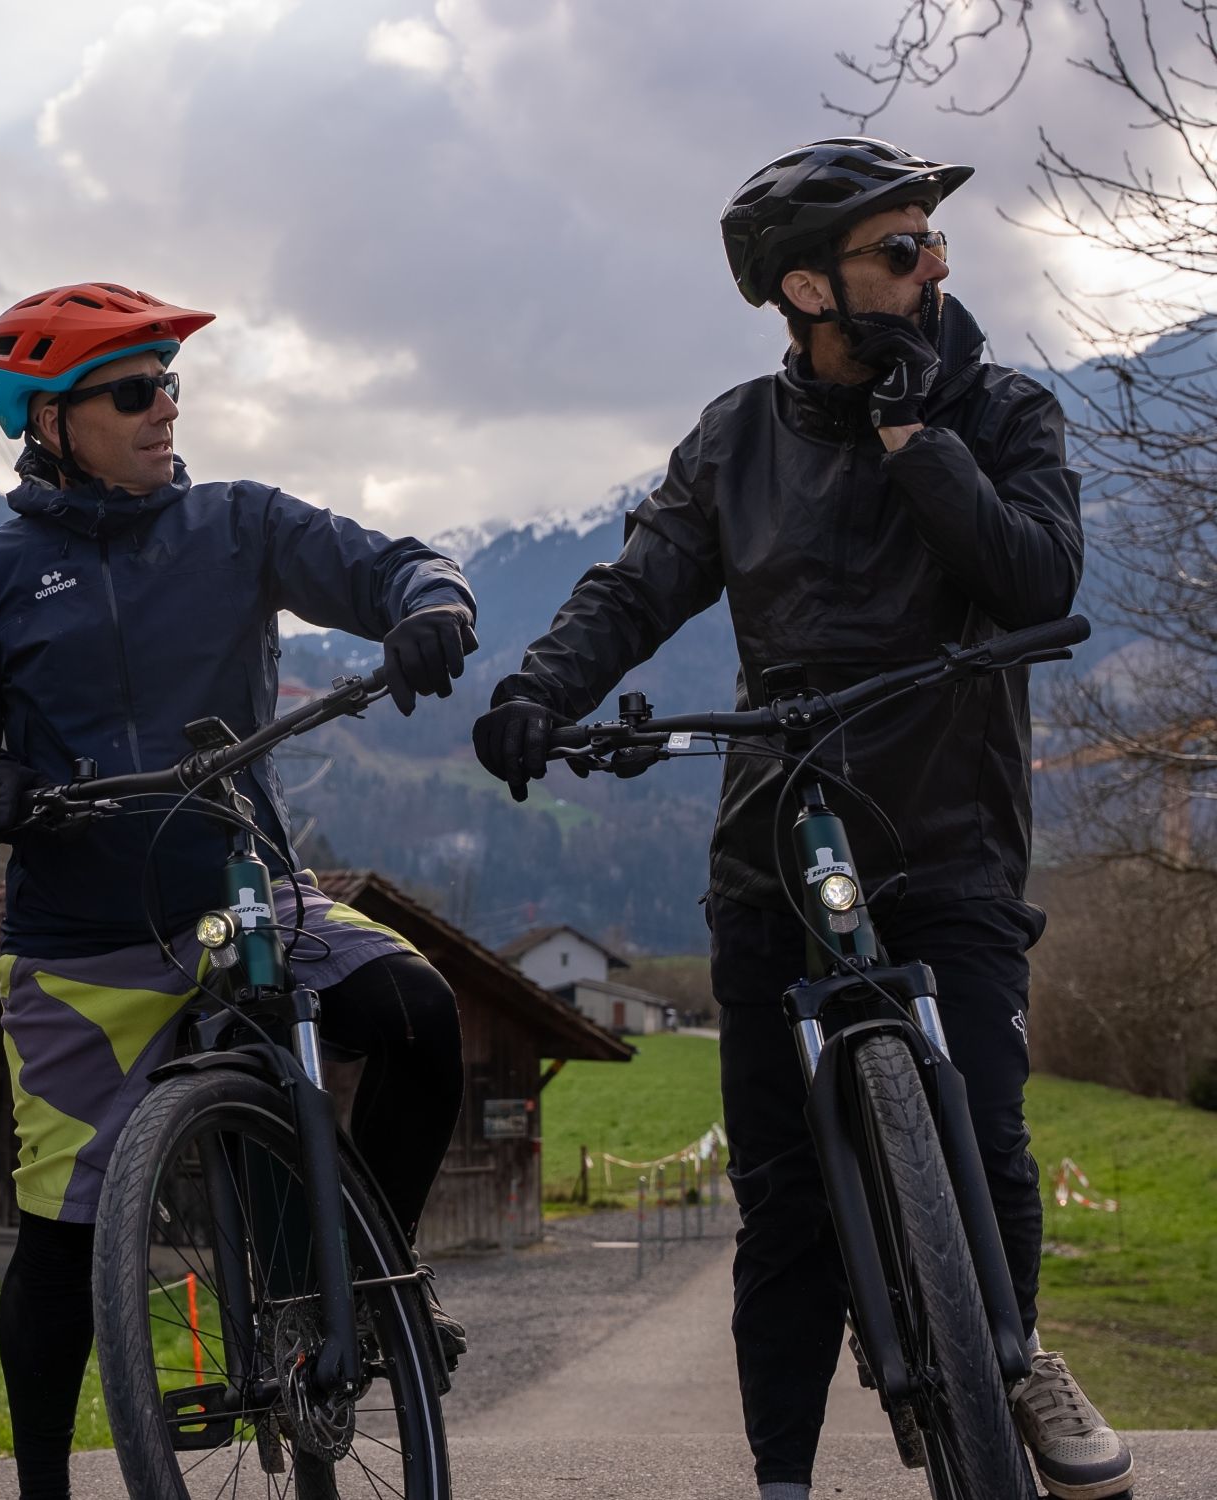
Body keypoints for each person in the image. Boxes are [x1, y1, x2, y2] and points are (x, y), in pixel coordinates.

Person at [471, 139, 1132, 1500]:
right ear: (806, 288)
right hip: (779, 838)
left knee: (987, 1137)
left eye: (932, 241)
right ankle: (781, 1476)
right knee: (782, 1196)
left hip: (950, 832)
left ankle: (1013, 1359)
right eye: (899, 248)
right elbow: (638, 585)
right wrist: (538, 691)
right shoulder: (735, 438)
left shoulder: (1001, 409)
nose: (934, 265)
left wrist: (915, 439)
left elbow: (1035, 579)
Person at [0, 283, 476, 1500]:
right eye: (131, 391)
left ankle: (362, 1285)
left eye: (168, 384)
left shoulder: (235, 524)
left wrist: (431, 603)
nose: (164, 407)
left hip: (248, 898)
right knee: (59, 1241)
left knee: (420, 1015)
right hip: (81, 943)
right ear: (47, 420)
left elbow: (392, 567)